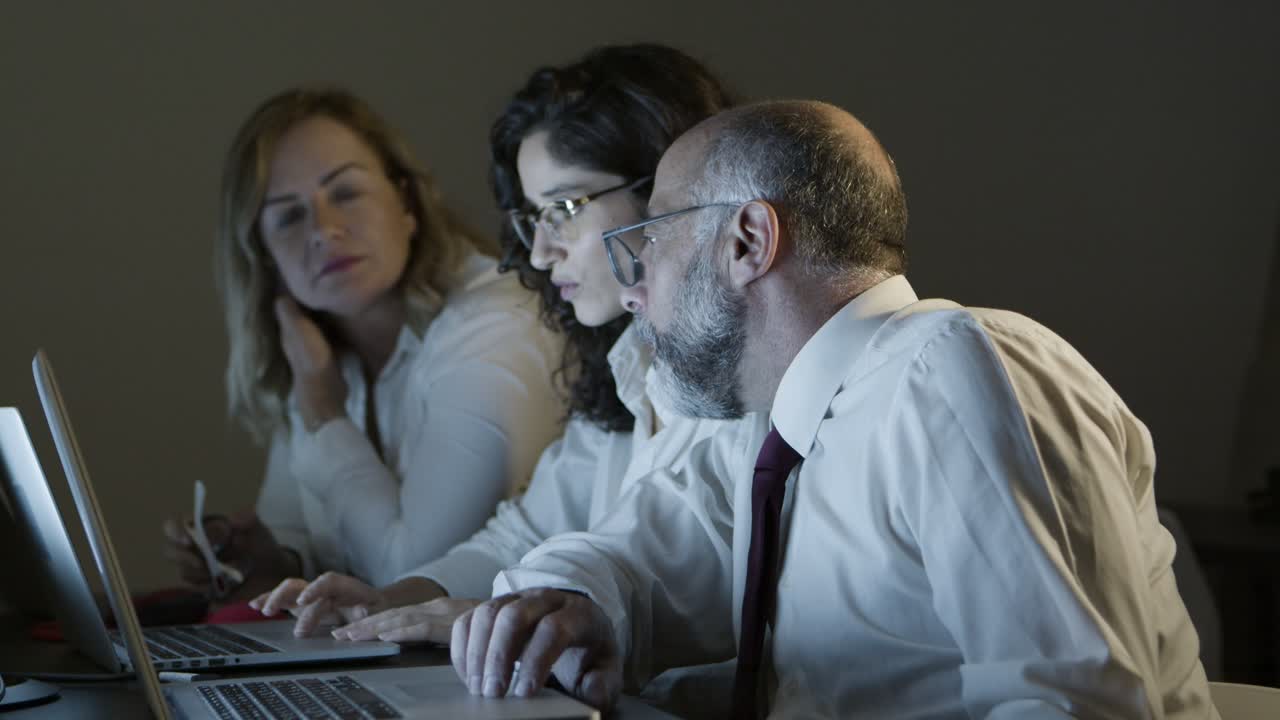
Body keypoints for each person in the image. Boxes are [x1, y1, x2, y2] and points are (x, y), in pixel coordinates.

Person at [448, 100, 1219, 719]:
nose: (637, 279)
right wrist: (572, 599)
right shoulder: (776, 427)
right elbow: (647, 549)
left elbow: (1072, 703)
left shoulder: (948, 367)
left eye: (655, 236)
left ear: (747, 241)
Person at [247, 47, 764, 676]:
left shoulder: (750, 380)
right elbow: (523, 533)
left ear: (666, 187)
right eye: (534, 218)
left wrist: (480, 612)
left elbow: (659, 575)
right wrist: (400, 599)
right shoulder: (630, 366)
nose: (542, 254)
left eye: (565, 210)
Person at [161, 88, 563, 604]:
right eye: (288, 216)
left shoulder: (498, 323)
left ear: (407, 204)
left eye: (346, 192)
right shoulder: (319, 344)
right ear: (264, 259)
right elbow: (301, 538)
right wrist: (269, 561)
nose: (325, 231)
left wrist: (326, 415)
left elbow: (413, 578)